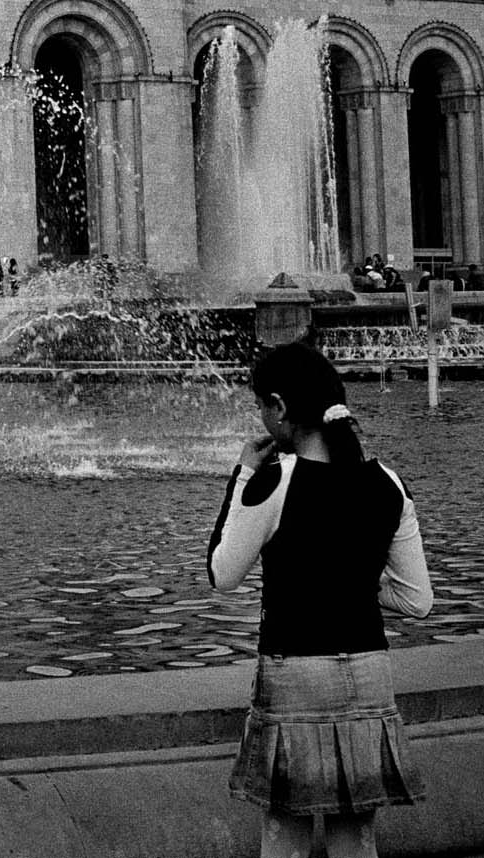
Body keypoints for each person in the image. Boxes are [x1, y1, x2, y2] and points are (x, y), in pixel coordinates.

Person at [208, 342, 432, 858]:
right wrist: (353, 580)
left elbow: (222, 574)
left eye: (262, 406)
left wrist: (241, 475)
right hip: (371, 673)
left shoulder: (276, 480)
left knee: (283, 835)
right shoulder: (389, 483)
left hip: (296, 673)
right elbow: (418, 600)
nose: (261, 418)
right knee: (356, 837)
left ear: (280, 408)